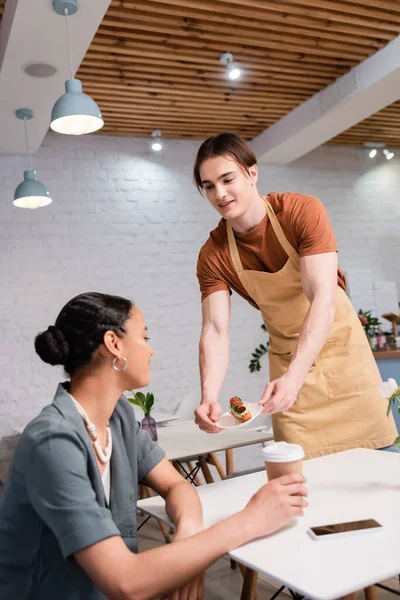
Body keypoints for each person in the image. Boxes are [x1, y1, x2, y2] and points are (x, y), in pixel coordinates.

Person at [0, 292, 308, 600]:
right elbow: (125, 582)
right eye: (145, 337)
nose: (151, 350)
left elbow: (177, 486)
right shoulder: (52, 443)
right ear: (114, 344)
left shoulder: (117, 416)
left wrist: (188, 540)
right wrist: (250, 520)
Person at [193, 132, 397, 459]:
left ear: (252, 172)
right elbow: (215, 330)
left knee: (375, 468)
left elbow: (322, 298)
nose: (220, 193)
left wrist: (294, 378)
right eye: (208, 186)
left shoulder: (300, 211)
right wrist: (209, 396)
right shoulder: (213, 254)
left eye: (227, 179)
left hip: (342, 354)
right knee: (298, 478)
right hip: (287, 365)